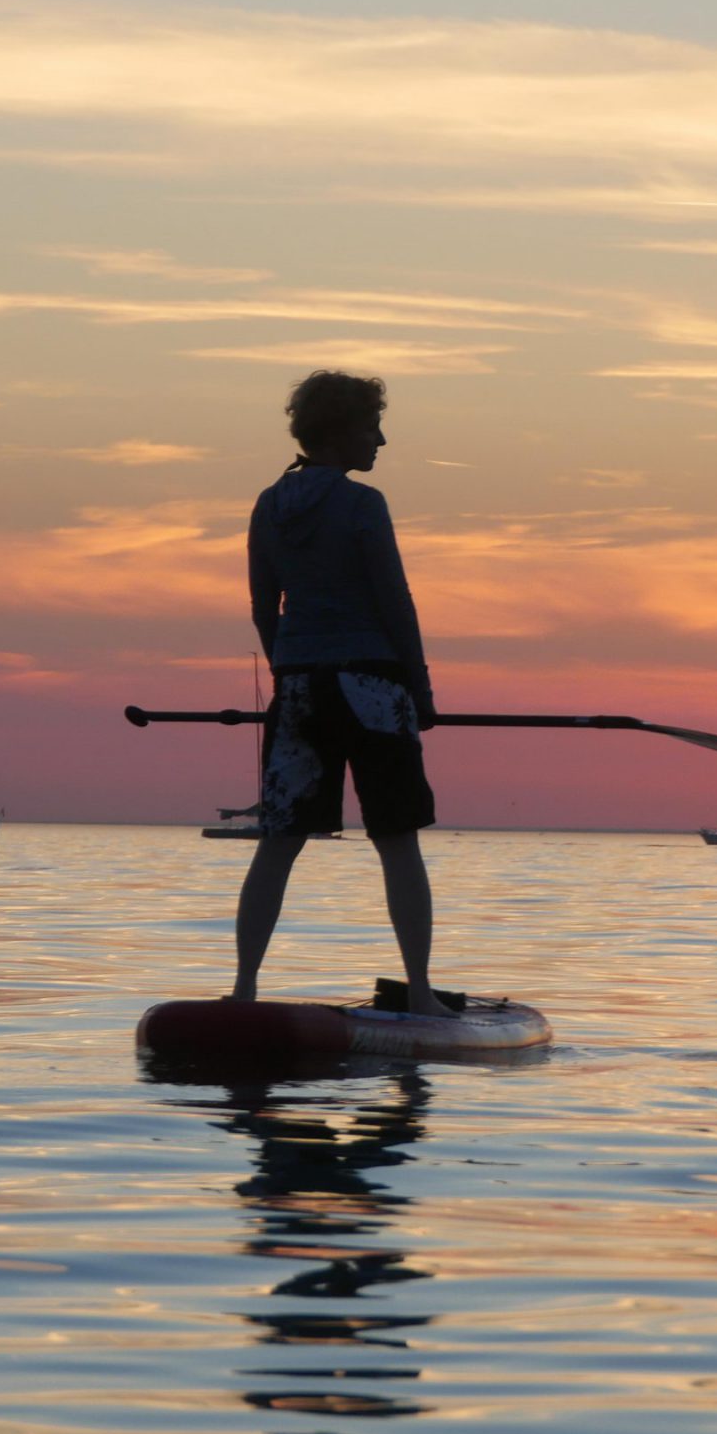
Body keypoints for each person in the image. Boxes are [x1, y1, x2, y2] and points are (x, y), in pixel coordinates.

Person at [234, 370, 448, 1016]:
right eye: (370, 427)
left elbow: (263, 607)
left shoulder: (269, 504)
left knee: (278, 842)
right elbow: (395, 601)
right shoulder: (363, 504)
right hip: (371, 685)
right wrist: (422, 688)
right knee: (397, 838)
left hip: (298, 686)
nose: (380, 440)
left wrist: (288, 671)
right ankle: (421, 993)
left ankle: (244, 990)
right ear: (339, 433)